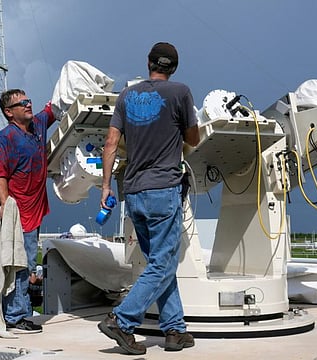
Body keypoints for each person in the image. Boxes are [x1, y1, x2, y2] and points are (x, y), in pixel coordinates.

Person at [98, 42, 200, 355]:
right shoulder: (180, 93)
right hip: (163, 190)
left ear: (148, 63)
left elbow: (111, 144)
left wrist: (105, 188)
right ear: (175, 67)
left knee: (161, 263)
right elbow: (193, 139)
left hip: (134, 193)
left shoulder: (127, 96)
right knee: (161, 264)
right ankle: (122, 321)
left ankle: (174, 330)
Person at [0, 89, 56, 332]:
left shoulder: (37, 125)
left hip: (35, 209)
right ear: (9, 112)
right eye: (23, 103)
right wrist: (7, 205)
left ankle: (21, 311)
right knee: (19, 263)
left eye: (29, 101)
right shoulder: (6, 137)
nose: (29, 105)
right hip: (18, 212)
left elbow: (52, 109)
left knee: (27, 262)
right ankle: (16, 316)